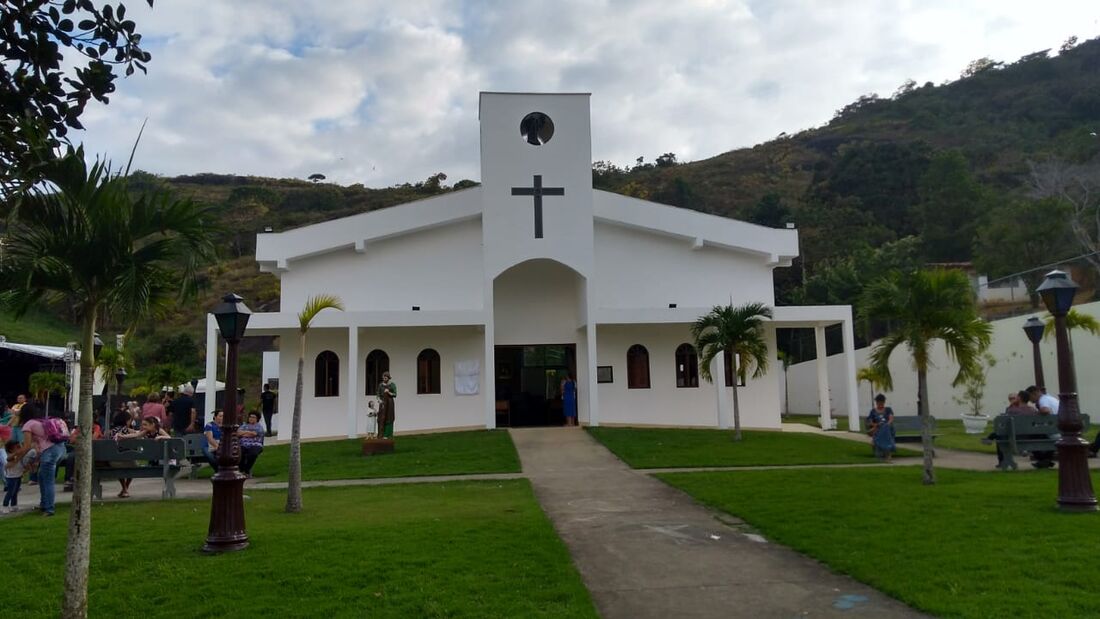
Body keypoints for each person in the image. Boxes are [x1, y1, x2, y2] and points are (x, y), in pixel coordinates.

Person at [19, 403, 65, 516]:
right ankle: (44, 503)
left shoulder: (28, 425)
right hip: (60, 448)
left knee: (48, 480)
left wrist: (14, 458)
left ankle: (49, 508)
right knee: (42, 476)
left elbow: (26, 446)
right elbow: (40, 446)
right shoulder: (41, 421)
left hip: (50, 452)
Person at [61, 420, 102, 492]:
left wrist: (79, 438)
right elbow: (71, 440)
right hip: (79, 449)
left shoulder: (96, 427)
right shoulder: (79, 428)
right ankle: (69, 479)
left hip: (92, 450)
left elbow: (93, 438)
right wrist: (83, 438)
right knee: (70, 457)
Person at [3, 440, 34, 513]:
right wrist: (18, 454)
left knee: (15, 491)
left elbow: (24, 463)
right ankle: (5, 506)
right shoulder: (10, 456)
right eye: (17, 447)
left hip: (18, 476)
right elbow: (9, 461)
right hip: (11, 478)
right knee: (10, 492)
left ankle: (14, 505)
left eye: (19, 446)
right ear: (11, 449)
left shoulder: (20, 456)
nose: (19, 448)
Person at [866, 394, 896, 462]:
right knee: (882, 428)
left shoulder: (888, 409)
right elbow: (870, 422)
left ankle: (874, 441)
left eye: (882, 402)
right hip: (878, 428)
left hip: (887, 429)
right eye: (878, 403)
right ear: (876, 402)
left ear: (884, 402)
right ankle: (888, 455)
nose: (880, 404)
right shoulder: (873, 411)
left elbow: (891, 418)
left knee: (885, 428)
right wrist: (876, 424)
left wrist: (886, 424)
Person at [238, 411, 265, 477]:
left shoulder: (259, 427)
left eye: (253, 417)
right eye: (250, 417)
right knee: (240, 453)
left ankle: (247, 470)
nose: (251, 418)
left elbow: (253, 434)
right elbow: (238, 433)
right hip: (243, 444)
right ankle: (241, 470)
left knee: (253, 454)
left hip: (256, 444)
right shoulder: (243, 425)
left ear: (257, 419)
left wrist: (243, 433)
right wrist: (248, 432)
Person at [377, 372, 397, 439]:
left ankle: (387, 434)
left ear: (388, 378)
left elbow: (395, 394)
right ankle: (381, 433)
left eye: (386, 377)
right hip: (383, 402)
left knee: (389, 417)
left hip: (389, 402)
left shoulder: (392, 385)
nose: (384, 379)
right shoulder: (380, 385)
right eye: (383, 377)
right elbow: (378, 394)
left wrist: (388, 392)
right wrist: (379, 400)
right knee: (381, 417)